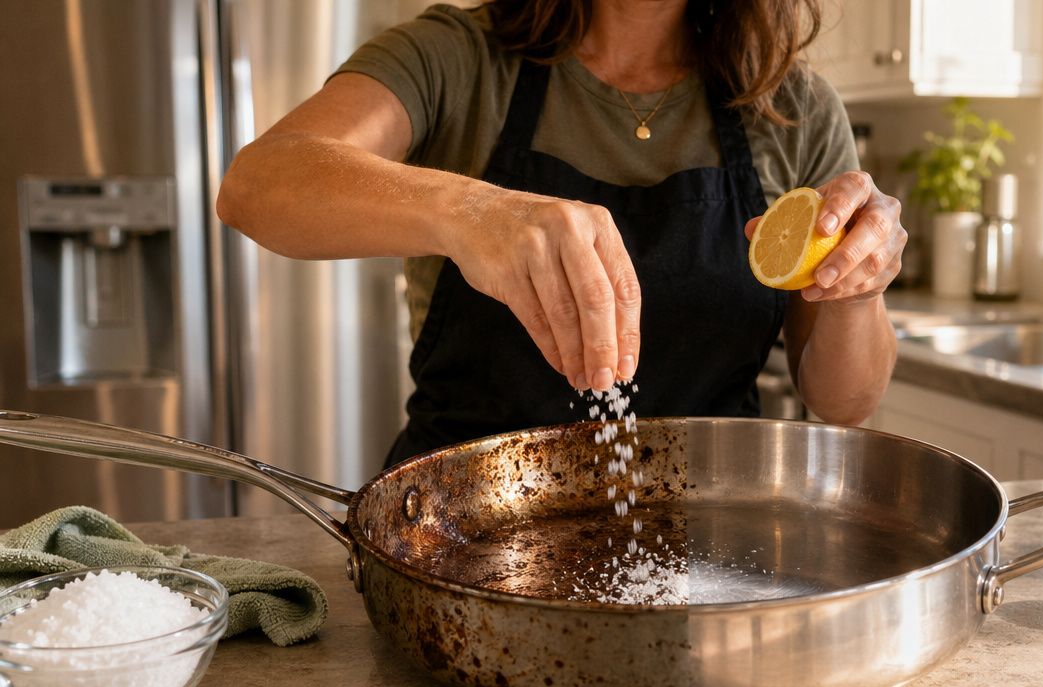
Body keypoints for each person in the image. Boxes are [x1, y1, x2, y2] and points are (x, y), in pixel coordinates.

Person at [217, 0, 907, 465]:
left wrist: (856, 283)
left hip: (715, 547)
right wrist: (469, 212)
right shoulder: (458, 58)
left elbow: (845, 403)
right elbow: (258, 185)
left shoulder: (794, 108)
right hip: (466, 528)